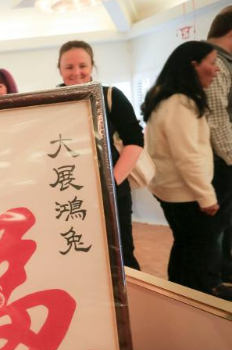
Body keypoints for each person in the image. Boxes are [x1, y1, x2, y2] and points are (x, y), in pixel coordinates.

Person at [141, 41, 232, 299]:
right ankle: (199, 298)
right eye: (212, 62)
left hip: (172, 190)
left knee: (185, 245)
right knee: (199, 251)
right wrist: (207, 197)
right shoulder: (180, 103)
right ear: (194, 66)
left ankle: (180, 294)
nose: (216, 69)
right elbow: (188, 157)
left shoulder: (167, 97)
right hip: (184, 193)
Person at [57, 40, 143, 270]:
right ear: (59, 69)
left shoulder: (111, 96)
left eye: (82, 65)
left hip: (112, 192)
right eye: (69, 67)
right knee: (80, 252)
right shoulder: (52, 101)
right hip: (70, 194)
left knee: (122, 254)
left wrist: (110, 184)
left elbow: (135, 141)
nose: (76, 73)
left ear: (92, 66)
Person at [206, 6, 232, 284]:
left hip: (220, 159)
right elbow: (217, 120)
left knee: (225, 224)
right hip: (219, 160)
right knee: (217, 227)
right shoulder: (214, 61)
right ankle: (214, 282)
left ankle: (224, 272)